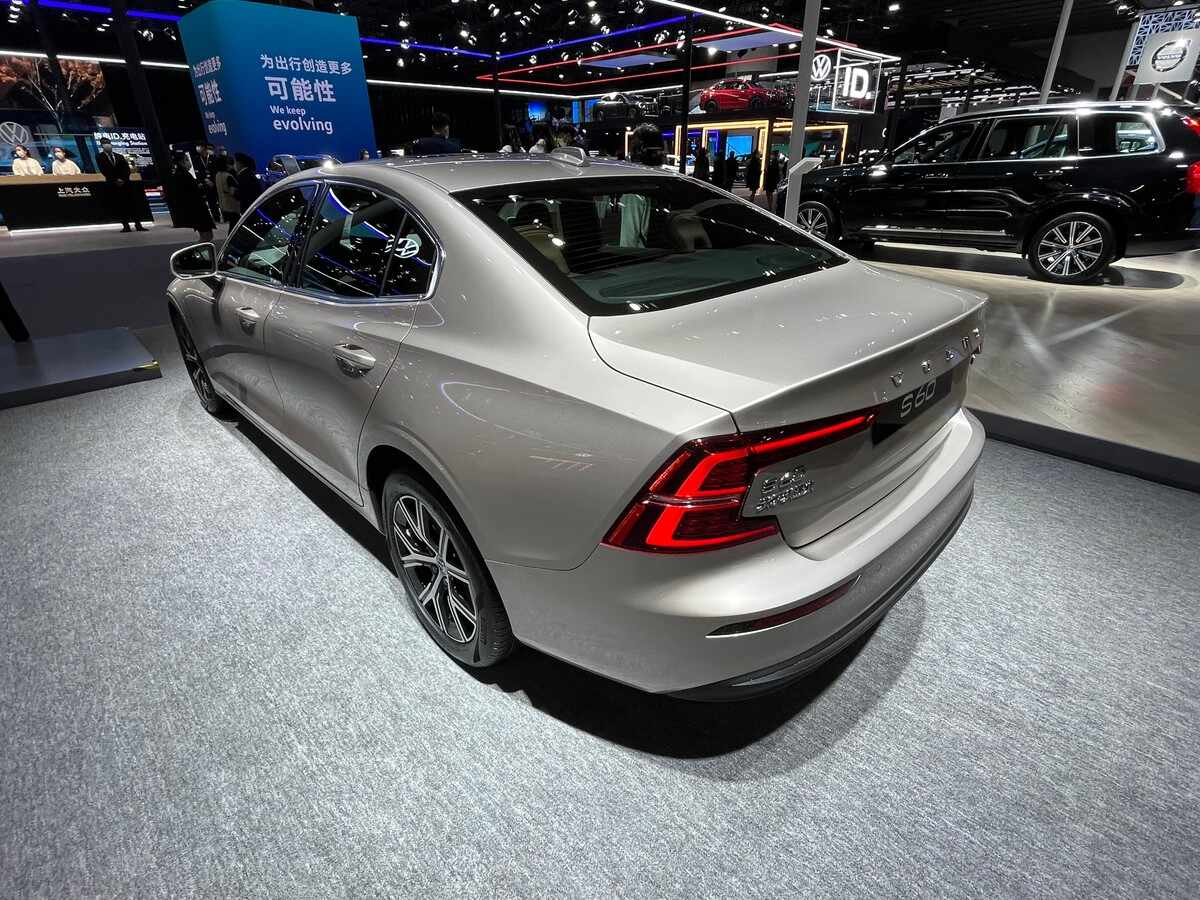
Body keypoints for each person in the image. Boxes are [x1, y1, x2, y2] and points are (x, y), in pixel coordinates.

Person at [96, 137, 145, 232]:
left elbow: (126, 169)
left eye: (108, 143)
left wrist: (123, 179)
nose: (107, 145)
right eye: (104, 143)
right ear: (102, 145)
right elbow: (104, 170)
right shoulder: (99, 157)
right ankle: (126, 226)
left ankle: (138, 225)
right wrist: (115, 179)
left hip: (125, 184)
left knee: (132, 204)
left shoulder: (119, 156)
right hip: (113, 184)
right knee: (119, 205)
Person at [212, 156, 239, 228]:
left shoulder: (217, 175)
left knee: (232, 226)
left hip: (223, 205)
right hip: (232, 206)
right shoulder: (228, 176)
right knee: (235, 226)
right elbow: (233, 192)